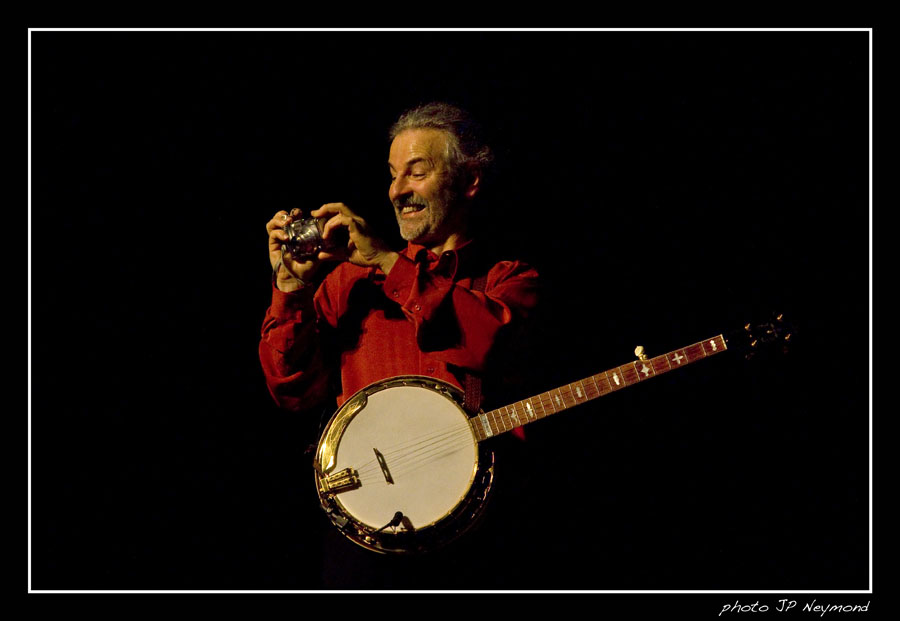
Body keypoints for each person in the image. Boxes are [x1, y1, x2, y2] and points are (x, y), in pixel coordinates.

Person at [259, 102, 540, 589]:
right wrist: (291, 289)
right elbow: (291, 390)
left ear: (470, 180)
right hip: (365, 540)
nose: (397, 191)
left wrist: (391, 263)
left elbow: (486, 344)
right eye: (392, 175)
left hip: (472, 537)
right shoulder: (350, 283)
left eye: (417, 172)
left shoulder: (507, 279)